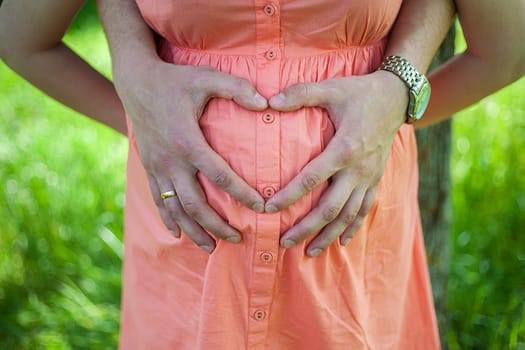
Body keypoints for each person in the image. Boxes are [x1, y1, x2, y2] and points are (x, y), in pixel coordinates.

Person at [1, 1, 523, 349]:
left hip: (351, 260)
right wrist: (146, 117)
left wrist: (393, 102)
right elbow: (21, 34)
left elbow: (505, 46)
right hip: (188, 271)